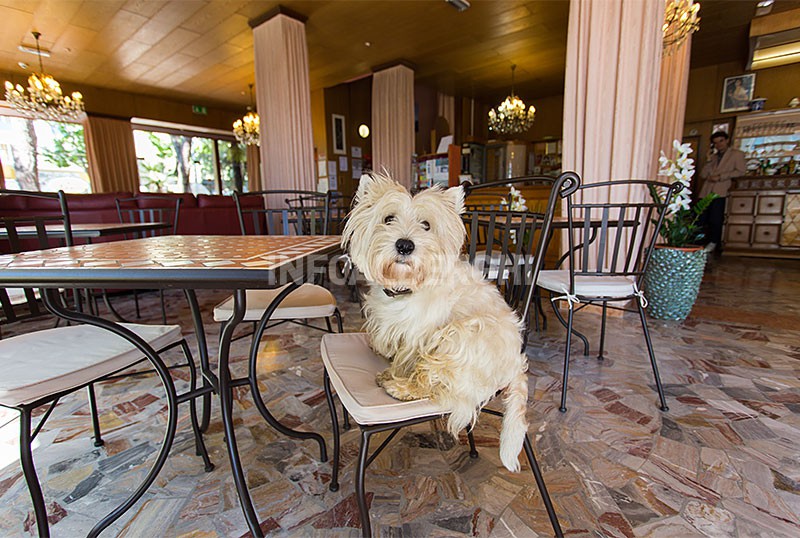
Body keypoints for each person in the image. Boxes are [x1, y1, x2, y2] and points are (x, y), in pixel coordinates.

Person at [698, 131, 746, 253]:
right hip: (707, 191)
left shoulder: (736, 154)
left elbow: (741, 171)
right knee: (701, 217)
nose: (719, 144)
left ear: (727, 140)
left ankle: (714, 242)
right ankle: (699, 242)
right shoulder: (713, 157)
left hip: (721, 189)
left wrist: (721, 176)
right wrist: (708, 160)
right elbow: (703, 174)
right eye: (715, 143)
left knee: (716, 218)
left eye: (721, 141)